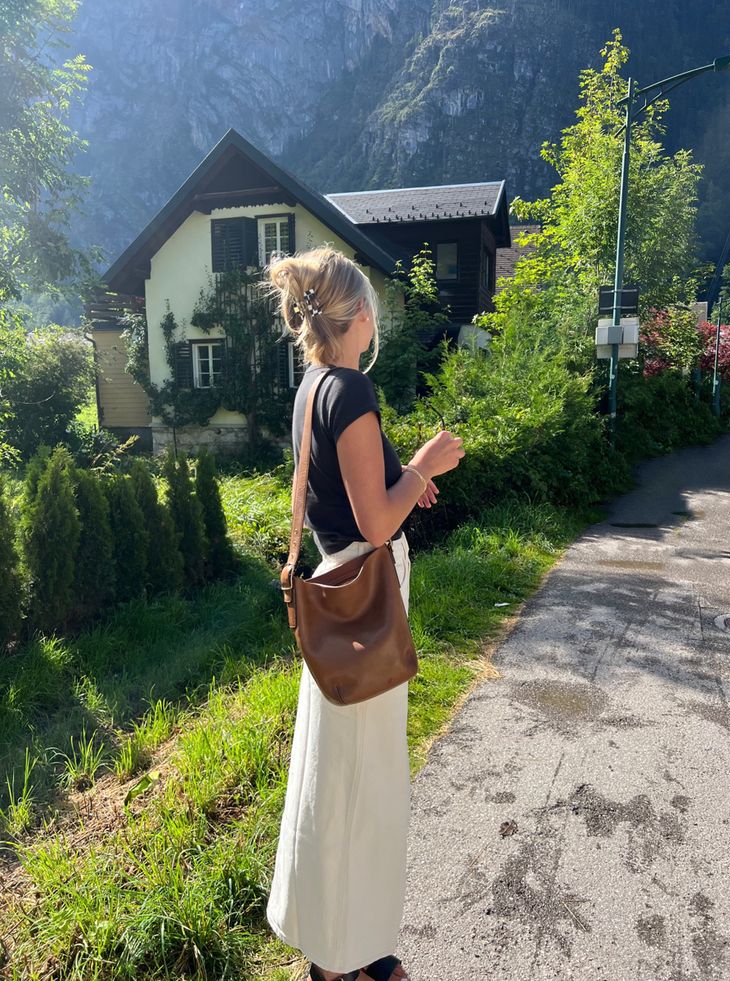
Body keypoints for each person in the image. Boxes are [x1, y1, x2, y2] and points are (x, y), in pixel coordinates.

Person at [258, 246, 464, 981]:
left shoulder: (312, 386)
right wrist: (422, 465)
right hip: (365, 593)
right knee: (358, 782)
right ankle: (335, 958)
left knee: (346, 774)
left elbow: (351, 498)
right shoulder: (350, 389)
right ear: (361, 317)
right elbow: (376, 522)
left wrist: (399, 477)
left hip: (341, 584)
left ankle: (357, 940)